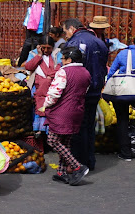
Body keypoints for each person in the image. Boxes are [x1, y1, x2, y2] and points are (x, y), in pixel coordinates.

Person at [38, 46, 91, 186]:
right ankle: (62, 172)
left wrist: (46, 104)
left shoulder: (64, 72)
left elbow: (55, 93)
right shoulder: (86, 72)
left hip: (62, 112)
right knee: (65, 142)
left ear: (69, 59)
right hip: (77, 110)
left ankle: (77, 166)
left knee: (53, 140)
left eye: (63, 58)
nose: (61, 60)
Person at [62, 18, 108, 171]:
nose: (65, 35)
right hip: (95, 90)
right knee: (89, 126)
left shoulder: (76, 43)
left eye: (65, 31)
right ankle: (89, 161)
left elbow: (72, 69)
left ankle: (78, 163)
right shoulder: (100, 42)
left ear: (72, 28)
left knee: (78, 128)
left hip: (80, 92)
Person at [25, 36, 60, 134]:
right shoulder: (33, 53)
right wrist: (39, 56)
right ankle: (38, 129)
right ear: (39, 47)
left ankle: (48, 132)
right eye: (43, 47)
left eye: (48, 48)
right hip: (37, 87)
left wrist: (49, 77)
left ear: (53, 47)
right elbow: (29, 66)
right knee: (37, 105)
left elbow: (60, 67)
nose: (46, 50)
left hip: (53, 86)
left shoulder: (57, 53)